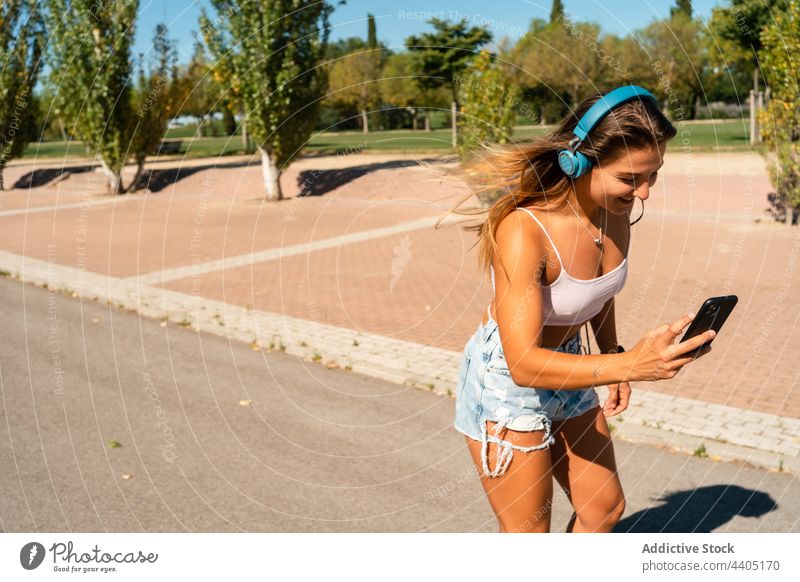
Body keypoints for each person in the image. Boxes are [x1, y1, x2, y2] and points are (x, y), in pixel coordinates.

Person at [448, 86, 716, 533]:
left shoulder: (614, 212)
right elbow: (523, 365)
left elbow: (599, 292)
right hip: (508, 382)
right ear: (578, 162)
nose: (645, 192)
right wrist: (627, 364)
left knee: (604, 510)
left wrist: (616, 357)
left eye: (654, 174)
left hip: (572, 362)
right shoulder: (524, 230)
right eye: (631, 178)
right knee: (530, 534)